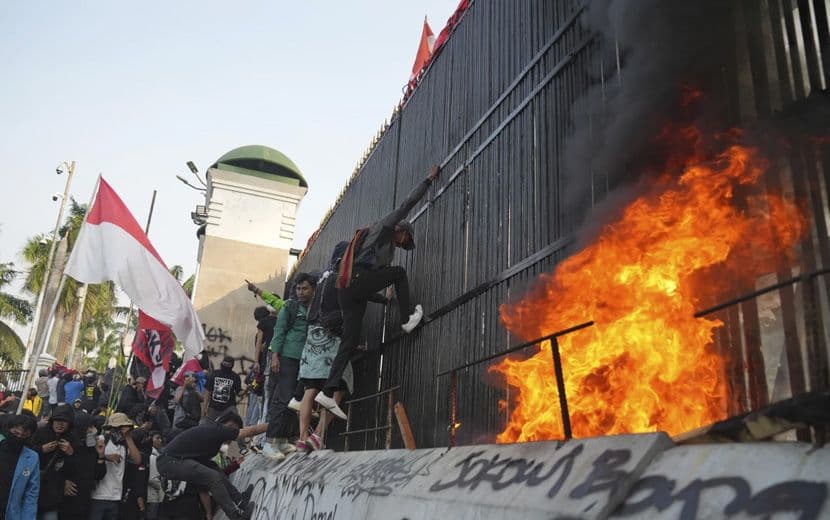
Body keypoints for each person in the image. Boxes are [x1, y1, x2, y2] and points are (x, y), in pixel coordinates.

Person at [316, 164, 441, 419]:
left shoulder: (387, 250)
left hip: (350, 291)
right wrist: (428, 180)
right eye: (406, 239)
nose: (405, 244)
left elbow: (369, 284)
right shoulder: (385, 228)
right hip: (356, 280)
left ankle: (327, 392)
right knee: (399, 273)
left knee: (349, 342)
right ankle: (407, 320)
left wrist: (384, 299)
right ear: (401, 231)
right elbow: (407, 203)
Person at [295, 242, 388, 451]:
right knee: (341, 382)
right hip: (331, 335)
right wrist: (384, 299)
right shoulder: (341, 275)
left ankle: (302, 438)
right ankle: (317, 435)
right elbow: (360, 291)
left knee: (311, 387)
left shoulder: (323, 277)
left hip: (313, 335)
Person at [156, 411, 265, 520]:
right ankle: (235, 516)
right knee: (212, 477)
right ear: (227, 425)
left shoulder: (213, 435)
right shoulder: (216, 430)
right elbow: (251, 431)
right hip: (169, 461)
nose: (232, 435)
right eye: (232, 429)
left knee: (214, 469)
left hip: (177, 460)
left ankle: (240, 500)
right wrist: (272, 426)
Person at [263, 272, 316, 460]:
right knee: (283, 399)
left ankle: (282, 440)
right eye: (298, 288)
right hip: (287, 358)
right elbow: (279, 331)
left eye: (305, 288)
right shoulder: (290, 307)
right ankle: (269, 442)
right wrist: (275, 356)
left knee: (294, 400)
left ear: (313, 289)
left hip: (304, 360)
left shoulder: (315, 307)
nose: (301, 292)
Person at [88, 413, 141, 520]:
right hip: (98, 496)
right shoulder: (101, 440)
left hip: (116, 497)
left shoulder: (125, 445)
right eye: (121, 427)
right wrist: (106, 457)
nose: (124, 431)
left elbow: (137, 460)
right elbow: (89, 458)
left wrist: (128, 438)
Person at [32, 404, 77, 520]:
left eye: (64, 421)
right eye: (57, 420)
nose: (60, 424)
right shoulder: (40, 433)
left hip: (53, 495)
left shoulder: (72, 439)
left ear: (70, 423)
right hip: (33, 490)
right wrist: (41, 449)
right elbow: (25, 455)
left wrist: (71, 453)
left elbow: (75, 468)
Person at [60, 413, 106, 520]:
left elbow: (98, 475)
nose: (93, 430)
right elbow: (59, 469)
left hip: (85, 499)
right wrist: (63, 482)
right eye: (89, 427)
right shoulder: (67, 444)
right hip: (67, 501)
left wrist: (101, 456)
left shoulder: (91, 448)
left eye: (93, 426)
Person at [0, 413, 39, 520]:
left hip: (11, 514)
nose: (19, 437)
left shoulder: (32, 458)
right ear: (8, 430)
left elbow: (31, 494)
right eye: (16, 433)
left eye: (24, 435)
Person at [204, 357, 242, 423]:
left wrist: (248, 389)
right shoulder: (214, 374)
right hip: (214, 407)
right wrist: (205, 407)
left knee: (235, 422)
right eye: (224, 364)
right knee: (208, 425)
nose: (226, 366)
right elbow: (207, 391)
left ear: (232, 365)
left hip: (229, 407)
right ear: (221, 363)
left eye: (228, 365)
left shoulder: (235, 376)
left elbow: (239, 392)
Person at [146, 432, 164, 520]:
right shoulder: (152, 456)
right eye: (157, 438)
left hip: (155, 494)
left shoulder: (157, 454)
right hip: (152, 495)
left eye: (160, 438)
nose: (160, 440)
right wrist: (163, 489)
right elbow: (152, 479)